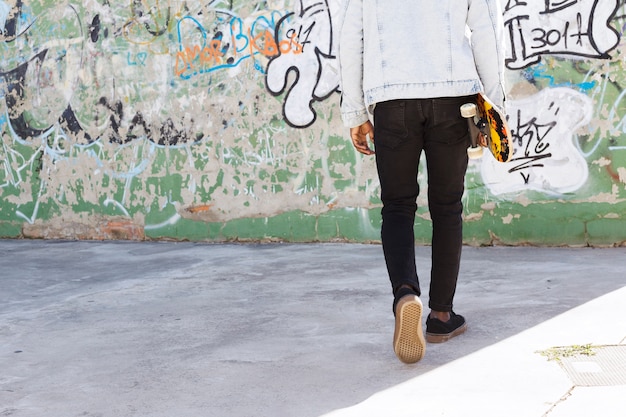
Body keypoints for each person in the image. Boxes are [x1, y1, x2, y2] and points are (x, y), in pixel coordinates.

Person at [338, 0, 506, 364]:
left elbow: (351, 35)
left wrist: (354, 110)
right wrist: (495, 107)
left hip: (391, 100)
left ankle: (404, 294)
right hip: (453, 98)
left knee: (397, 206)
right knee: (447, 207)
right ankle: (441, 316)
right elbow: (486, 30)